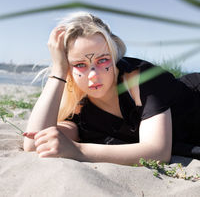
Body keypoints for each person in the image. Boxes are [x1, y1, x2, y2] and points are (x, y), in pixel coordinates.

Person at [23, 11, 200, 165]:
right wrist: (58, 70)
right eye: (80, 64)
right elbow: (33, 144)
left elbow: (158, 153)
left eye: (102, 60)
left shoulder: (141, 79)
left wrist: (79, 151)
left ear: (114, 56)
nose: (93, 75)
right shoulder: (79, 110)